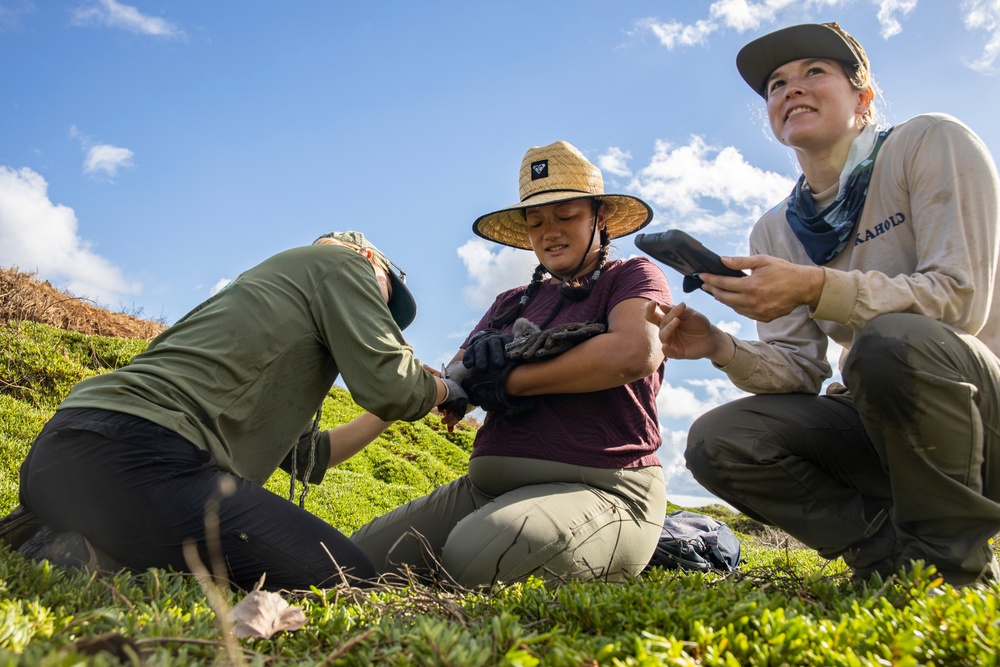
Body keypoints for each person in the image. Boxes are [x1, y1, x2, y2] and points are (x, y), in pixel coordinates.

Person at [644, 22, 1000, 586]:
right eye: (776, 85)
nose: (792, 89)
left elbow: (960, 300)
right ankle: (885, 560)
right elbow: (797, 370)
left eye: (815, 72)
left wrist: (814, 287)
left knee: (888, 344)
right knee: (719, 440)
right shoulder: (776, 228)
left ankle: (955, 573)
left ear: (863, 97)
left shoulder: (928, 142)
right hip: (881, 421)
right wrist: (720, 346)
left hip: (982, 417)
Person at [5, 231, 468, 591]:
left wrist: (397, 402)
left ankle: (64, 534)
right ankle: (96, 552)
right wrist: (445, 388)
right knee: (346, 575)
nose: (382, 316)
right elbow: (394, 384)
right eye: (384, 299)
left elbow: (315, 455)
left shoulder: (261, 307)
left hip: (63, 450)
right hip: (145, 455)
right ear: (368, 260)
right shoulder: (343, 262)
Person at [350, 140, 672, 588]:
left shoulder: (633, 276)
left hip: (604, 488)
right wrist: (442, 387)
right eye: (536, 222)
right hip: (486, 489)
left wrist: (512, 382)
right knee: (349, 560)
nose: (550, 231)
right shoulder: (510, 302)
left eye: (566, 216)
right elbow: (460, 375)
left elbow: (634, 352)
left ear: (599, 218)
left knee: (474, 553)